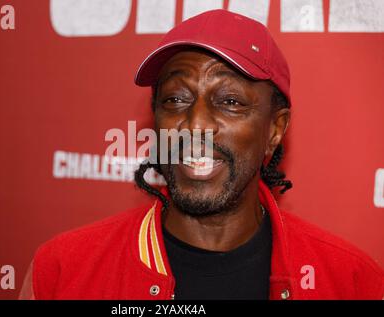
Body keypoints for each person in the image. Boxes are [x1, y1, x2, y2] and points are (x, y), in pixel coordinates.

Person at [19, 9, 384, 300]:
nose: (195, 125)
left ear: (274, 130)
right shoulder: (64, 270)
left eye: (229, 102)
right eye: (176, 99)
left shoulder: (352, 281)